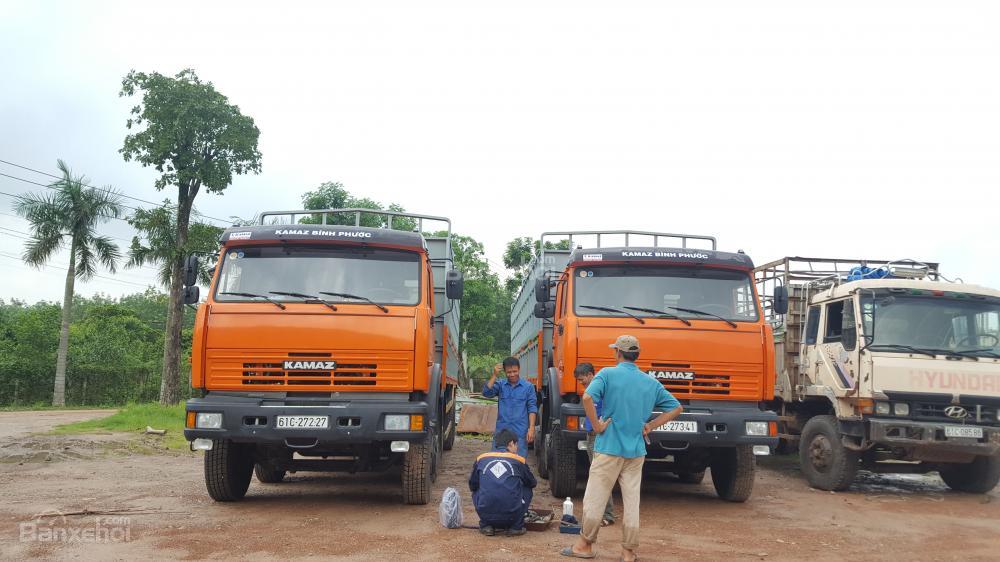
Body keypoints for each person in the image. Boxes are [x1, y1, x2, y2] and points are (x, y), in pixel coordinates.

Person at [560, 335, 683, 562]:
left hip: (609, 448)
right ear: (637, 355)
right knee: (632, 502)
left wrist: (596, 425)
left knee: (595, 498)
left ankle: (584, 545)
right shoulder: (650, 382)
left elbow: (587, 397)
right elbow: (676, 407)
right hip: (636, 451)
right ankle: (628, 552)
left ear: (617, 352)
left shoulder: (607, 374)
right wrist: (651, 425)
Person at [469, 427, 537, 537]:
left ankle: (486, 525)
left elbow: (472, 485)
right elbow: (532, 483)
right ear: (510, 444)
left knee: (476, 488)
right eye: (516, 445)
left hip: (486, 514)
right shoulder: (519, 460)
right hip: (511, 515)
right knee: (527, 489)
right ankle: (516, 527)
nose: (517, 448)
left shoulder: (481, 458)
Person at [573, 362, 615, 528]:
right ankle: (598, 512)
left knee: (601, 477)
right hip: (591, 436)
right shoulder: (590, 391)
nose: (581, 383)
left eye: (583, 379)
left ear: (591, 374)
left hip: (599, 437)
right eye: (579, 380)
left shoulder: (602, 392)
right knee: (597, 476)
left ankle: (608, 515)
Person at [482, 357, 537, 458]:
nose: (512, 374)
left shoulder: (528, 387)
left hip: (520, 432)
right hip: (502, 432)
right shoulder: (500, 385)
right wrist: (494, 375)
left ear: (519, 369)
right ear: (505, 372)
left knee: (518, 462)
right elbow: (486, 393)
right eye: (509, 372)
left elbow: (532, 408)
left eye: (514, 371)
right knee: (498, 462)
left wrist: (531, 428)